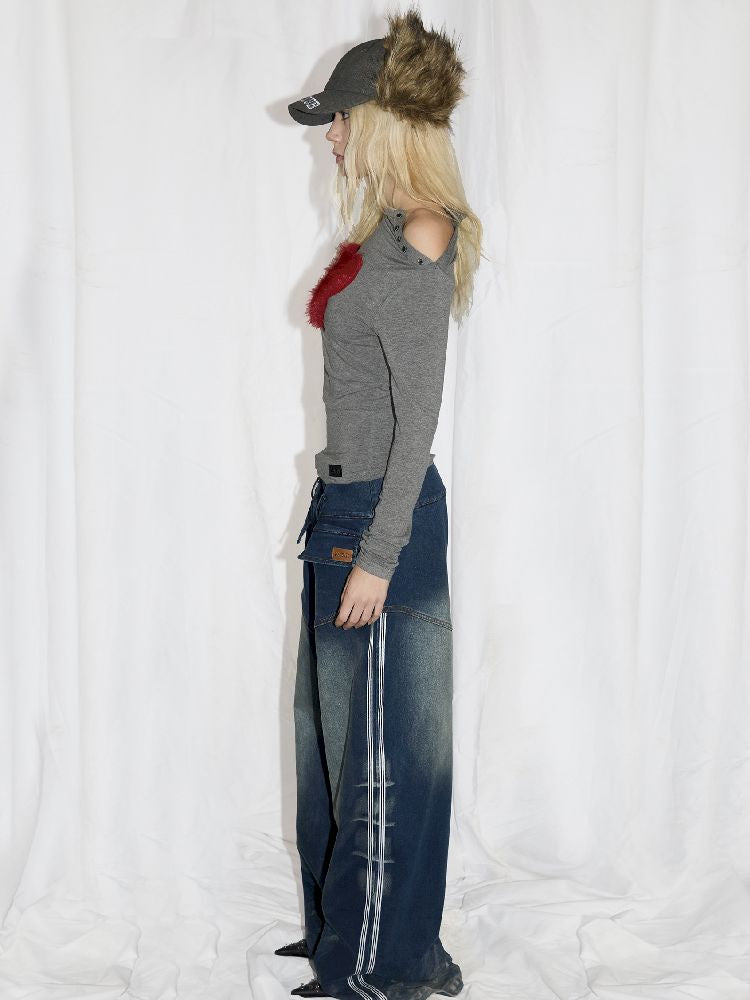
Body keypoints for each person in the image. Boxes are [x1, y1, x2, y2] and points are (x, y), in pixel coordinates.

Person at [280, 7, 481, 999]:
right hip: (343, 511)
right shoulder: (381, 235)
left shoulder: (422, 234)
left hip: (379, 522)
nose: (332, 135)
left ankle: (378, 968)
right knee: (333, 749)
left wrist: (378, 554)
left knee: (384, 762)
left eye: (341, 118)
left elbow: (419, 417)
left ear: (383, 121)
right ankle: (363, 938)